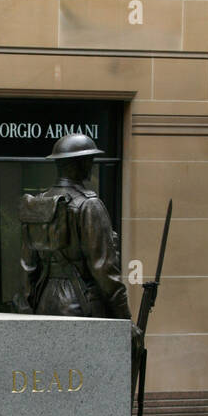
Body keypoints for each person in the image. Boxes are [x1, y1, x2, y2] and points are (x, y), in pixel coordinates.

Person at [17, 133, 133, 322]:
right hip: (82, 304)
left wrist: (26, 309)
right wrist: (125, 318)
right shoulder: (90, 205)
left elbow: (27, 266)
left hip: (44, 302)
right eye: (90, 160)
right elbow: (104, 270)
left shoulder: (38, 203)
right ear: (82, 163)